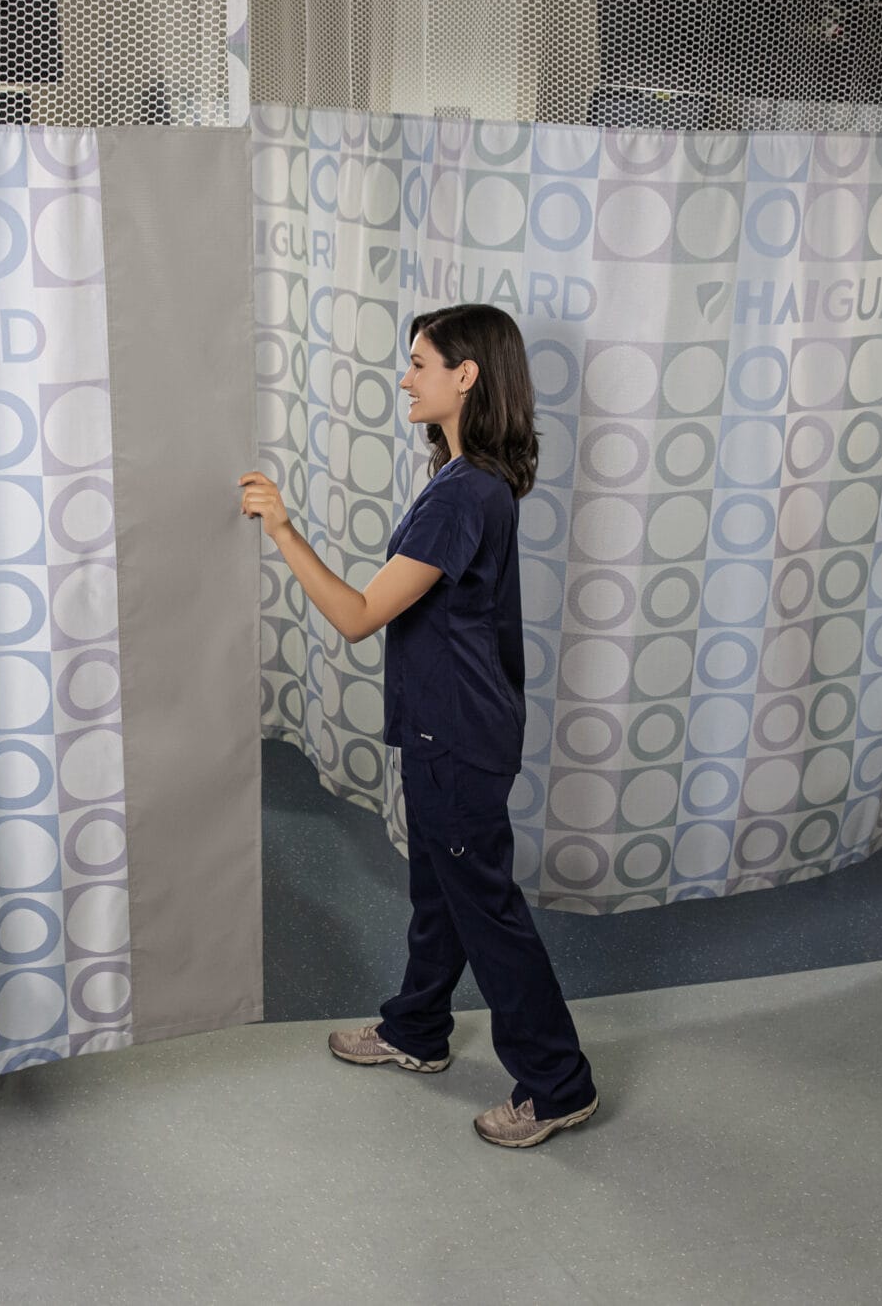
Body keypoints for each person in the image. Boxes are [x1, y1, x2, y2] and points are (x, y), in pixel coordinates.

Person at [238, 303, 598, 1149]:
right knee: (439, 893)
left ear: (465, 375)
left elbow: (360, 615)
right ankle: (417, 1029)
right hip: (455, 730)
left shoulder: (462, 494)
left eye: (420, 362)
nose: (406, 377)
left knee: (484, 908)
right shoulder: (471, 480)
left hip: (458, 740)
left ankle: (557, 1081)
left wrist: (282, 530)